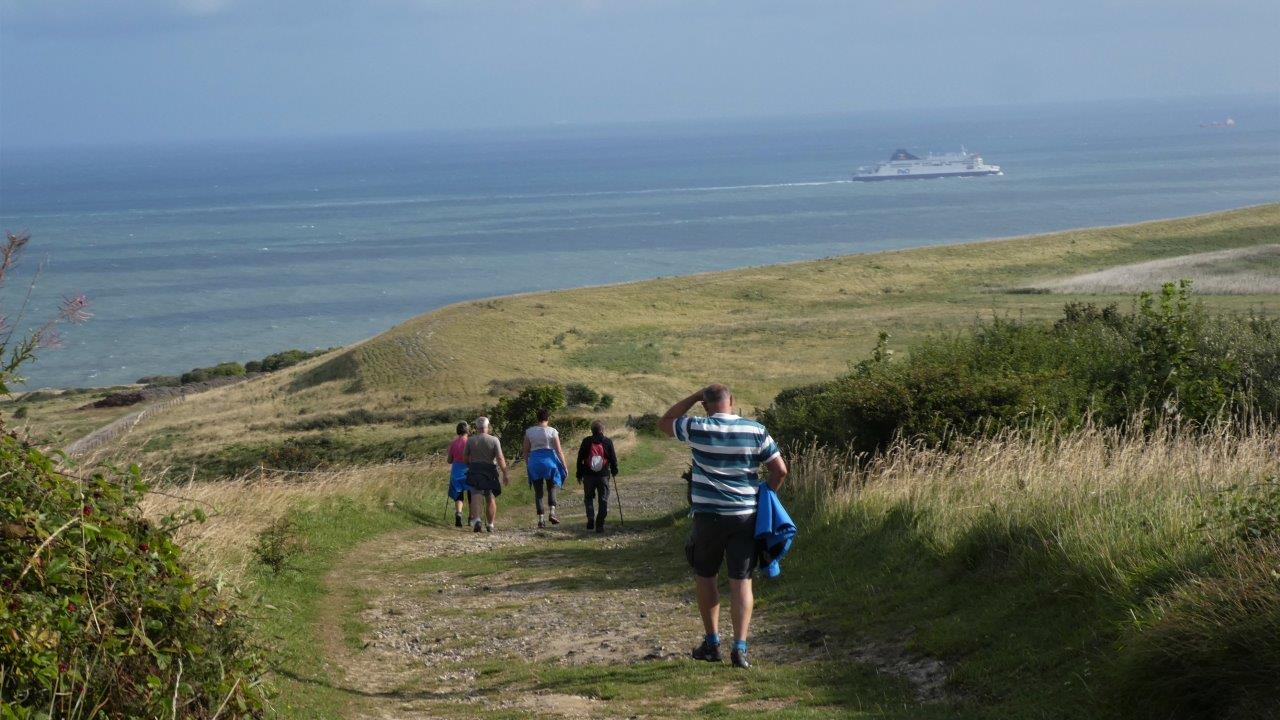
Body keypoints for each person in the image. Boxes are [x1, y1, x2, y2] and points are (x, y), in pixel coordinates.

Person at [660, 383, 787, 670]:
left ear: (705, 405)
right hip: (745, 516)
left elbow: (664, 423)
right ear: (732, 401)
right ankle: (740, 649)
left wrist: (693, 397)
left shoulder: (697, 427)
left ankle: (712, 642)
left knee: (706, 575)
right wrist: (766, 493)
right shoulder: (756, 430)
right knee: (741, 580)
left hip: (708, 517)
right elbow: (780, 470)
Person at [523, 408, 570, 529]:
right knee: (551, 487)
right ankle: (552, 512)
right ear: (547, 418)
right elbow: (559, 451)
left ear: (537, 418)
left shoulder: (529, 432)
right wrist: (564, 466)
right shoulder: (552, 431)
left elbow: (526, 451)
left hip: (535, 463)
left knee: (538, 492)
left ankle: (541, 520)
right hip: (550, 462)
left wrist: (528, 464)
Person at [464, 416, 510, 533]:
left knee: (475, 495)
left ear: (476, 427)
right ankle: (490, 524)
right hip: (490, 470)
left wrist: (470, 466)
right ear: (487, 426)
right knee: (490, 497)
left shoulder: (470, 440)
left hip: (475, 469)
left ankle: (478, 520)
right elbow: (499, 458)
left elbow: (465, 458)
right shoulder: (494, 440)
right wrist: (505, 473)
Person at [575, 420, 618, 533]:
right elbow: (613, 458)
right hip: (603, 475)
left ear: (592, 430)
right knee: (603, 499)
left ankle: (590, 517)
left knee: (588, 498)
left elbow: (580, 459)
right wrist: (614, 470)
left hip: (588, 475)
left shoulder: (586, 441)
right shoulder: (607, 441)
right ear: (602, 430)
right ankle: (599, 524)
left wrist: (579, 474)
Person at [446, 421, 471, 527]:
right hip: (468, 470)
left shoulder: (453, 443)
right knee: (472, 495)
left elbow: (449, 460)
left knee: (458, 494)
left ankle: (459, 513)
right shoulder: (470, 442)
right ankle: (472, 517)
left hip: (456, 470)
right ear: (467, 430)